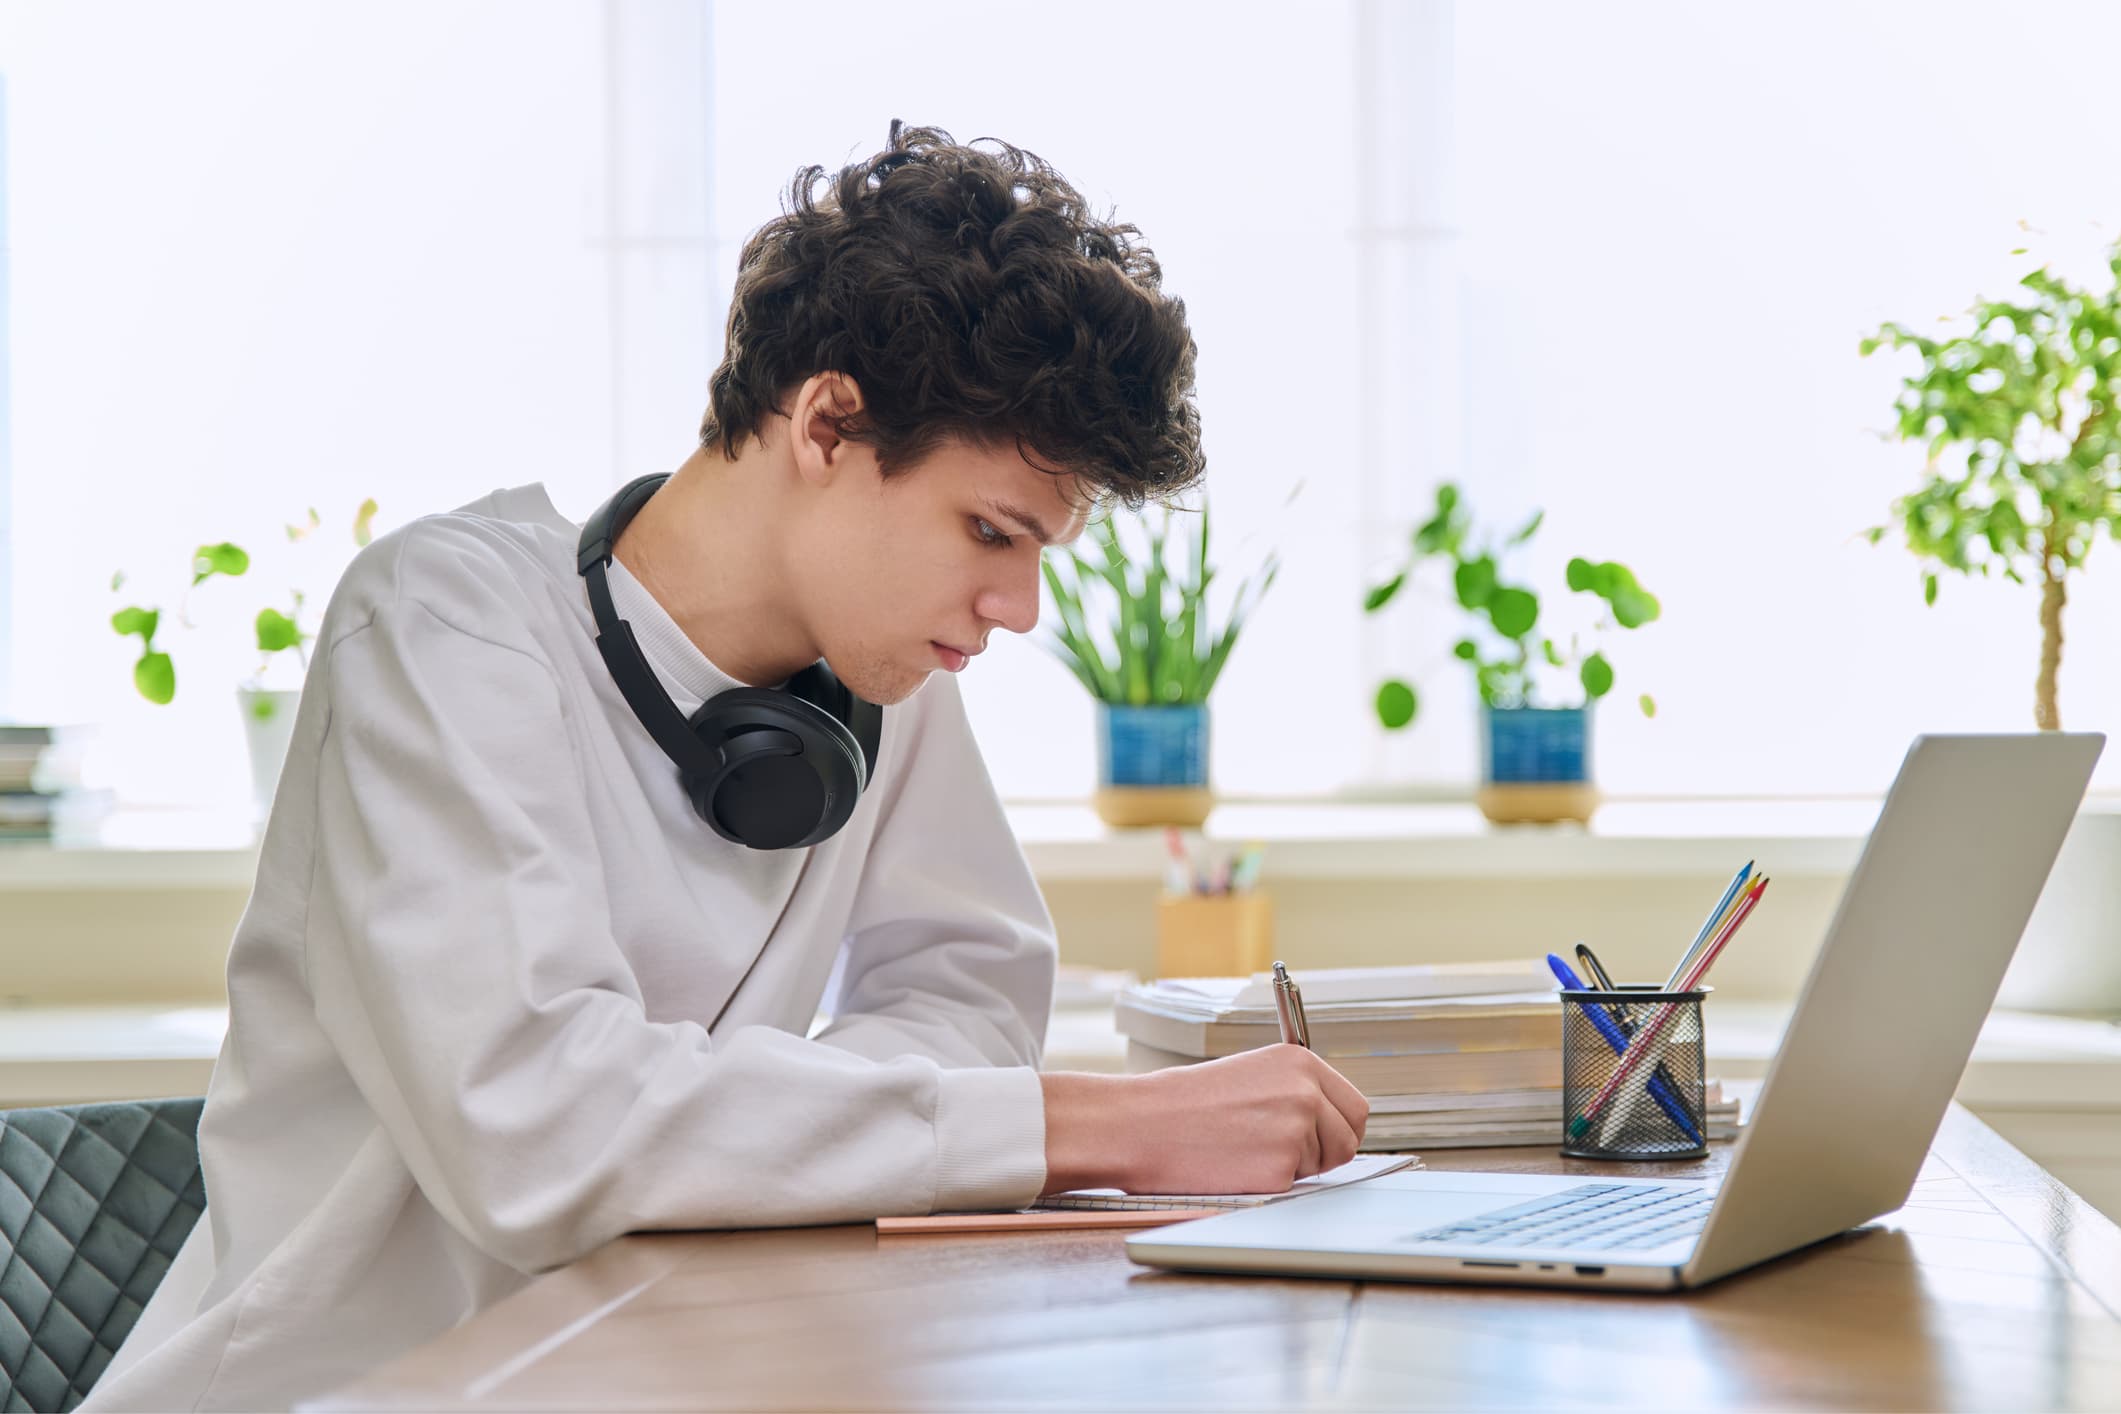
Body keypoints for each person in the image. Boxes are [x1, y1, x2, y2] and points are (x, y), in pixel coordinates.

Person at [82, 122, 1367, 1412]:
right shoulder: (444, 627)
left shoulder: (878, 673)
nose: (1022, 607)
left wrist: (726, 1130)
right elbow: (540, 1131)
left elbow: (970, 998)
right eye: (990, 530)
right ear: (827, 420)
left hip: (663, 1365)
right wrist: (1093, 1126)